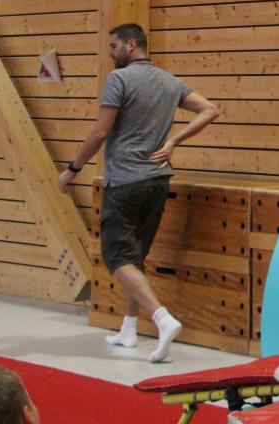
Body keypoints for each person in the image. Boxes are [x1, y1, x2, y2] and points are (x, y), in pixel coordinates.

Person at [56, 24, 221, 362]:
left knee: (116, 257)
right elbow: (210, 109)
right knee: (135, 256)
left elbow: (100, 132)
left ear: (132, 45)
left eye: (113, 45)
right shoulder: (169, 81)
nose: (110, 52)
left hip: (125, 182)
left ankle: (162, 318)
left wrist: (73, 169)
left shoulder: (119, 80)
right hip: (157, 181)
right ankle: (128, 329)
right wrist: (173, 141)